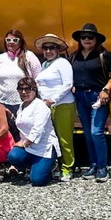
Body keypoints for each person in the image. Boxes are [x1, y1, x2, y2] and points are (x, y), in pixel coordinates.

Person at [70, 23, 111, 182]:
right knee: (87, 134)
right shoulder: (73, 56)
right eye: (83, 37)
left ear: (96, 39)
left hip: (99, 96)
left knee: (96, 132)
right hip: (80, 96)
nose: (86, 39)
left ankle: (103, 167)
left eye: (90, 37)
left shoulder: (105, 55)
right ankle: (93, 165)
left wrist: (106, 89)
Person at [35, 33, 77, 181]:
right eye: (45, 48)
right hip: (46, 106)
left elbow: (68, 84)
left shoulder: (62, 63)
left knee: (64, 138)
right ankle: (56, 166)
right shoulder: (45, 64)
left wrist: (53, 99)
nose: (48, 51)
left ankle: (68, 168)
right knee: (51, 138)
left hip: (62, 105)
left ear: (58, 49)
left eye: (52, 47)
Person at [7, 78, 62, 186]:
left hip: (44, 147)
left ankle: (52, 165)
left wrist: (24, 144)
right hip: (29, 148)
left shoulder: (41, 106)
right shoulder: (22, 106)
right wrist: (11, 116)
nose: (24, 92)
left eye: (27, 89)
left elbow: (37, 129)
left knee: (38, 181)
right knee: (13, 156)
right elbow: (23, 123)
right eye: (20, 89)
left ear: (34, 90)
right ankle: (31, 166)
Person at [0, 29, 41, 139]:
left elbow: (38, 77)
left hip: (24, 103)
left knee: (23, 133)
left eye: (15, 39)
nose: (11, 42)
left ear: (21, 41)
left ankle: (23, 155)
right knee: (7, 134)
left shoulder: (29, 56)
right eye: (8, 39)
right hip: (3, 102)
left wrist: (35, 95)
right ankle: (10, 155)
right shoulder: (0, 58)